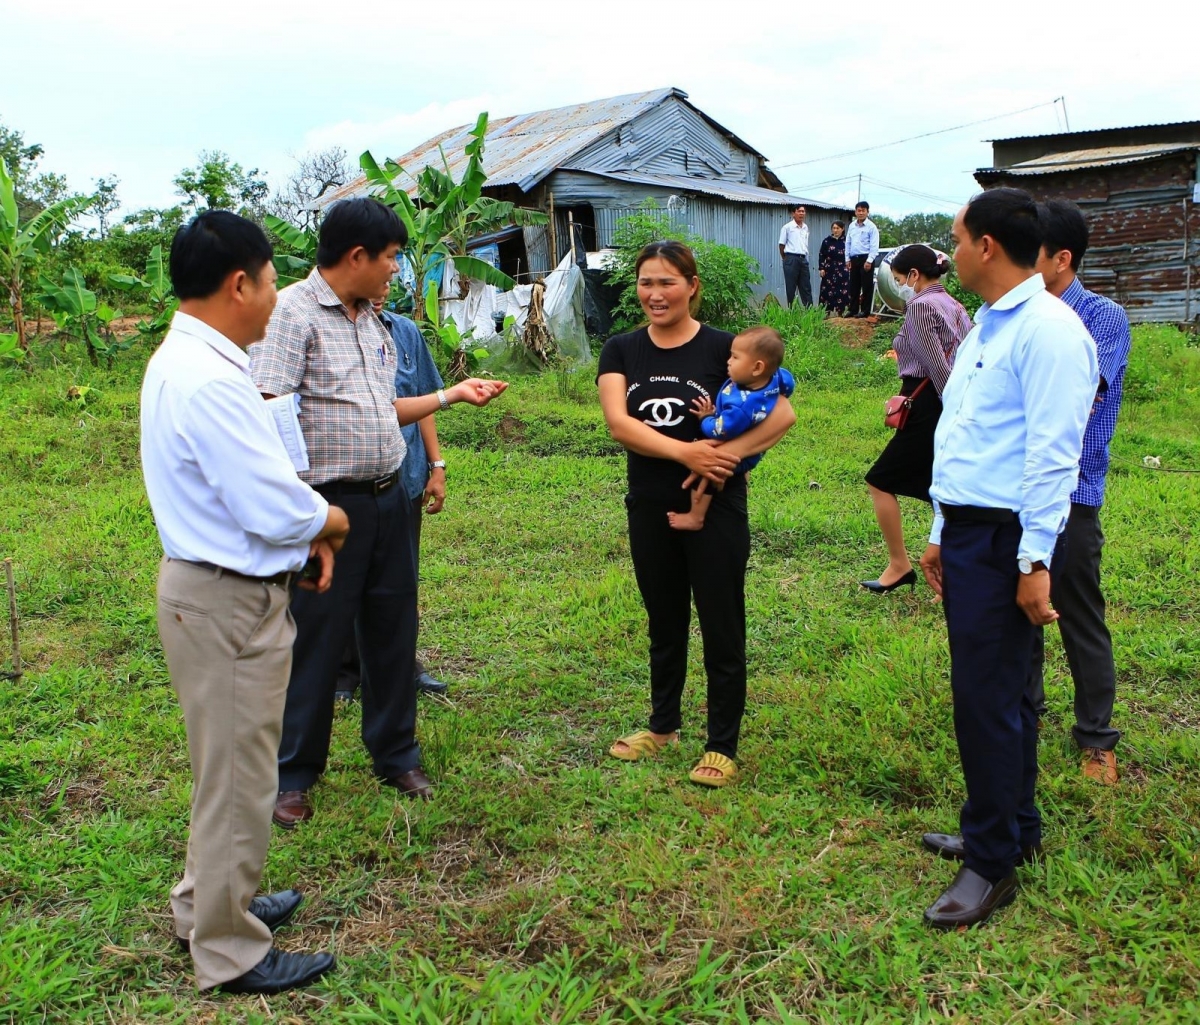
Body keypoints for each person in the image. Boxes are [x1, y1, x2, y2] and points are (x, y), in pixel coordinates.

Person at [141, 210, 351, 994]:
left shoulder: (188, 360)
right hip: (225, 599)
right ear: (240, 283)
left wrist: (301, 539)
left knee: (225, 766)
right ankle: (228, 946)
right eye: (269, 280)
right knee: (239, 774)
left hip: (216, 587)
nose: (275, 296)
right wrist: (328, 520)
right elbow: (273, 507)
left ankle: (209, 904)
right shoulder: (208, 378)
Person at [250, 197, 506, 826]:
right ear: (356, 256)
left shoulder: (374, 321)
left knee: (393, 631)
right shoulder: (293, 313)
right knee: (314, 638)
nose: (397, 268)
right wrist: (299, 515)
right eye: (391, 258)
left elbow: (376, 412)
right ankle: (293, 775)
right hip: (327, 507)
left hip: (389, 496)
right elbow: (266, 411)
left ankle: (395, 753)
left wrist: (448, 397)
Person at [917, 188, 1097, 929]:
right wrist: (936, 525)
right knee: (1007, 694)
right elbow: (964, 434)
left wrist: (1033, 562)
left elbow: (1054, 456)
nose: (950, 251)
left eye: (956, 238)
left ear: (987, 245)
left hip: (1003, 539)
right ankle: (1012, 826)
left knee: (986, 699)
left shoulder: (1051, 333)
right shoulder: (991, 325)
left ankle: (990, 862)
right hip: (967, 530)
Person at [597, 241, 796, 788]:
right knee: (663, 619)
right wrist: (686, 451)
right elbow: (619, 423)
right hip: (649, 503)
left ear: (692, 286)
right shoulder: (621, 349)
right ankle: (662, 727)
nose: (655, 294)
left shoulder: (724, 348)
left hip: (716, 509)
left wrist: (723, 459)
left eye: (666, 282)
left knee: (721, 622)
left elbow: (783, 412)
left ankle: (721, 744)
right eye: (645, 282)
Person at [1028, 199, 1131, 785]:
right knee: (1020, 610)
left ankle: (1096, 738)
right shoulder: (1013, 313)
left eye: (1029, 251)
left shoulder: (1101, 318)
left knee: (1077, 614)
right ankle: (1027, 711)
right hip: (1014, 491)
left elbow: (1076, 396)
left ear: (1061, 259)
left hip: (1071, 493)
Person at [335, 292, 451, 702]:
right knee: (350, 575)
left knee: (403, 577)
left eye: (391, 272)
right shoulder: (333, 331)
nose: (383, 288)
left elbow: (424, 403)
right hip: (354, 478)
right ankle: (346, 672)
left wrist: (436, 467)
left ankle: (404, 666)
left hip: (407, 477)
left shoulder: (406, 332)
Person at [861, 245, 971, 593]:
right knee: (941, 489)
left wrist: (953, 409)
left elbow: (938, 366)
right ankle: (951, 569)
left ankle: (899, 564)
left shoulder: (920, 307)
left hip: (929, 402)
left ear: (913, 276)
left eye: (898, 280)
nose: (899, 287)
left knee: (880, 479)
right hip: (945, 400)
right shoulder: (955, 305)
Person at [667, 325, 795, 532]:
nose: (728, 361)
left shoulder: (741, 408)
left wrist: (706, 418)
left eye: (735, 358)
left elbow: (718, 430)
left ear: (757, 368)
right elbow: (788, 383)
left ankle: (695, 516)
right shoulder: (775, 377)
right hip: (751, 448)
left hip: (737, 452)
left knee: (706, 470)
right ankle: (742, 479)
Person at [845, 201, 880, 318]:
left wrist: (869, 260)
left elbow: (874, 246)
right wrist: (847, 259)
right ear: (855, 212)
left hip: (866, 258)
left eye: (863, 211)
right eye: (858, 210)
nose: (860, 213)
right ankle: (853, 309)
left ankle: (865, 311)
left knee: (866, 286)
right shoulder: (851, 226)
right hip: (854, 258)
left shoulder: (871, 227)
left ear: (867, 212)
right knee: (853, 285)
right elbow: (848, 243)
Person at [778, 204, 812, 307]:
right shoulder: (787, 227)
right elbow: (781, 244)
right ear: (793, 213)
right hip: (791, 258)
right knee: (791, 287)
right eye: (799, 211)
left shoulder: (805, 227)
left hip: (803, 259)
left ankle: (809, 311)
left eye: (803, 211)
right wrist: (785, 258)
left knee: (806, 286)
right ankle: (792, 311)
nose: (802, 213)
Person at [818, 221, 851, 316]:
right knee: (827, 291)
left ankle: (840, 313)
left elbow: (850, 255)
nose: (835, 230)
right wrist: (821, 268)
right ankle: (826, 313)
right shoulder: (827, 241)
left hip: (842, 269)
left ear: (842, 229)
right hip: (829, 269)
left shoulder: (847, 241)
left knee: (842, 290)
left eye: (838, 228)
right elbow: (821, 255)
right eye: (834, 228)